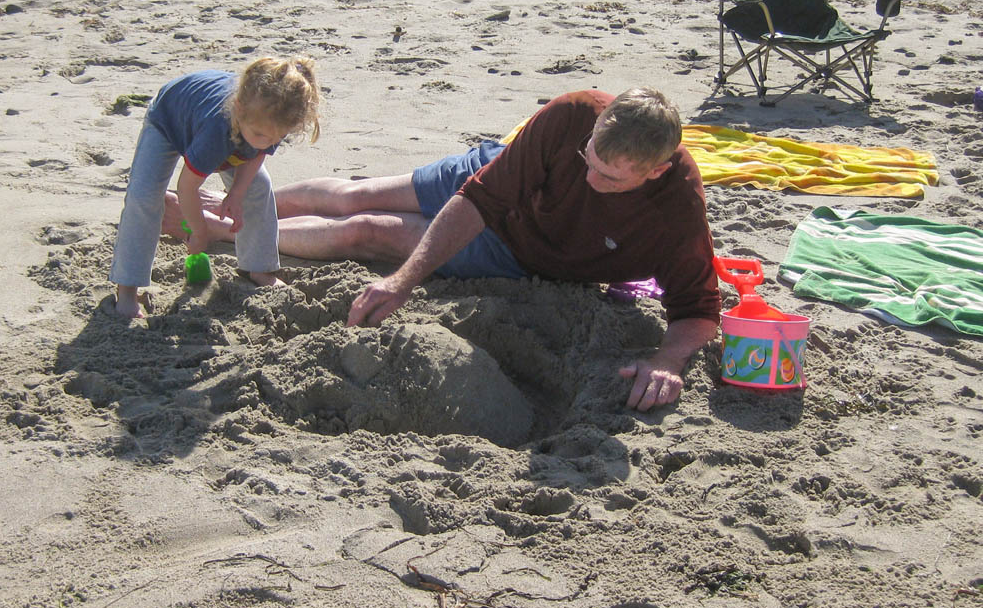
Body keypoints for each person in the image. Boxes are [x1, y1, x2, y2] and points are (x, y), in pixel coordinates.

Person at [164, 88, 720, 410]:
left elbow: (698, 309)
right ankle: (232, 205)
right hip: (493, 179)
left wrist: (667, 360)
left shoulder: (676, 210)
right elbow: (480, 199)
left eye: (611, 179)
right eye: (587, 160)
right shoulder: (574, 115)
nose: (589, 179)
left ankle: (222, 232)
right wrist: (404, 279)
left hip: (519, 253)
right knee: (360, 194)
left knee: (366, 230)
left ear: (656, 171)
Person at [109, 56, 322, 318]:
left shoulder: (274, 117)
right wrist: (199, 231)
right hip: (168, 120)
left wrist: (237, 193)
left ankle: (259, 268)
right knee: (144, 196)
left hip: (233, 133)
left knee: (259, 186)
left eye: (276, 138)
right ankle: (127, 289)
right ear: (239, 109)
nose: (267, 142)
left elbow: (258, 152)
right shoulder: (217, 129)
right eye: (260, 135)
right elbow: (187, 187)